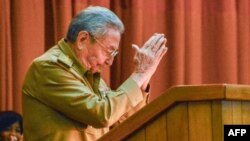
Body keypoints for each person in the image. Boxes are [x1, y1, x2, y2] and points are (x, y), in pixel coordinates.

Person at [22, 6, 167, 141]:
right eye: (109, 51)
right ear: (82, 40)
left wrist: (145, 76)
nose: (110, 62)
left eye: (114, 53)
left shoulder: (90, 73)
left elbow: (122, 122)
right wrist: (139, 74)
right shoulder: (49, 68)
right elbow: (101, 114)